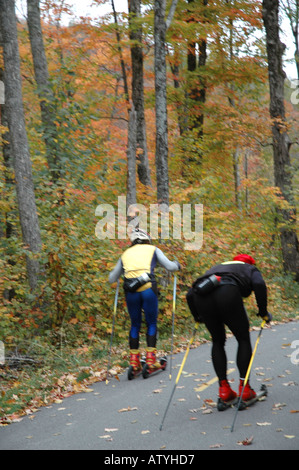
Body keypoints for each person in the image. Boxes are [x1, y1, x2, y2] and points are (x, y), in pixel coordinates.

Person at [186, 254, 272, 404]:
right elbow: (259, 284)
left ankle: (224, 389)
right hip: (228, 291)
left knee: (217, 341)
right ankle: (245, 389)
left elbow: (189, 294)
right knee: (243, 338)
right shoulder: (249, 268)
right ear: (248, 262)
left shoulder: (215, 268)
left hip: (201, 297)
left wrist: (197, 316)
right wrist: (263, 312)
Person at [108, 228, 180, 374]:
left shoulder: (125, 254)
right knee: (151, 323)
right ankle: (151, 360)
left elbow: (111, 278)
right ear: (147, 238)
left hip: (131, 292)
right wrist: (177, 265)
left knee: (135, 324)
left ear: (132, 241)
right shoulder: (153, 249)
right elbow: (170, 267)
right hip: (148, 289)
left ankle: (134, 362)